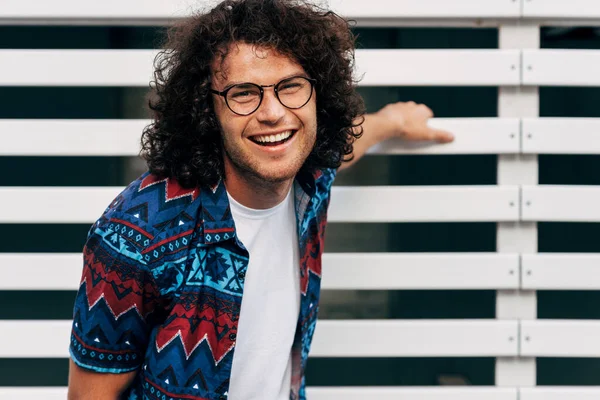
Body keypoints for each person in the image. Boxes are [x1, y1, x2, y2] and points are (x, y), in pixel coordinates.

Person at [67, 0, 453, 399]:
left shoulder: (309, 178)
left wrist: (394, 121)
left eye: (290, 86)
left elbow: (345, 143)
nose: (273, 113)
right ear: (207, 109)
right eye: (244, 93)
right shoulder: (135, 234)